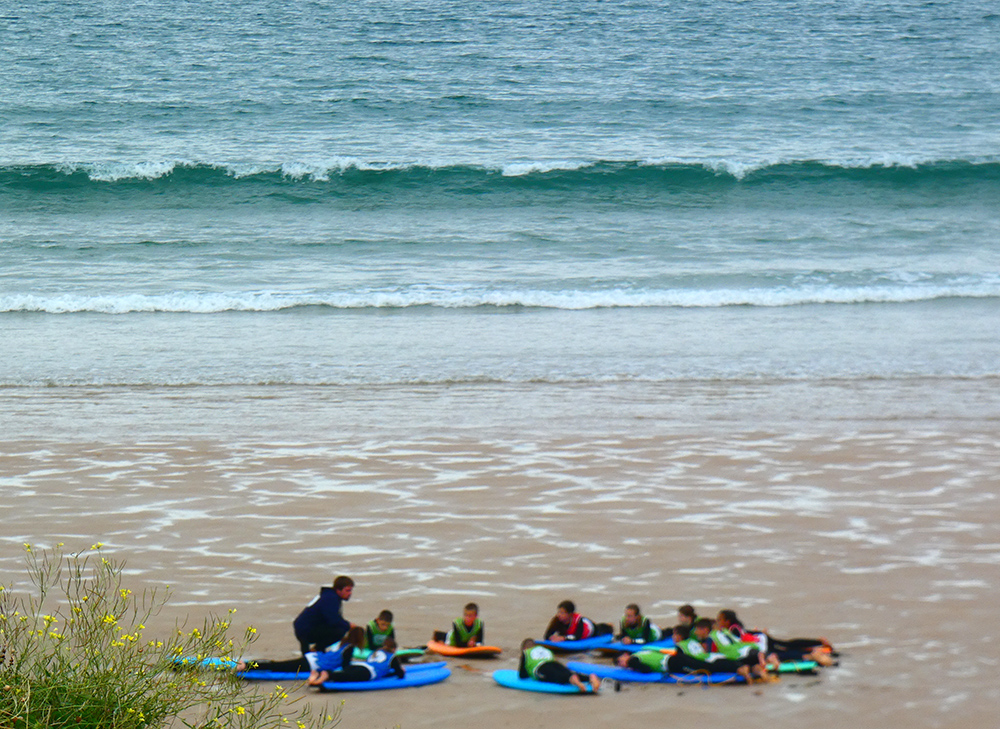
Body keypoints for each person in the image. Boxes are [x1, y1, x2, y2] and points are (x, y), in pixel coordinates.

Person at [716, 609, 835, 666]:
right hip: (761, 638)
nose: (718, 622)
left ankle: (811, 652)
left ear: (727, 621)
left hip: (761, 643)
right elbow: (746, 633)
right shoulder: (736, 626)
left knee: (782, 651)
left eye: (719, 619)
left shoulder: (731, 629)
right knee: (786, 645)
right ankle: (817, 644)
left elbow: (738, 641)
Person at [669, 624, 770, 682]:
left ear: (679, 636)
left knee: (733, 667)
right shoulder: (693, 641)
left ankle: (747, 677)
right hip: (716, 656)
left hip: (709, 661)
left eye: (674, 635)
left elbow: (681, 659)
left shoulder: (680, 646)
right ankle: (760, 673)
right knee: (742, 665)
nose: (673, 637)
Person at [293, 575, 355, 655]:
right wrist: (350, 626)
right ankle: (315, 650)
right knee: (340, 630)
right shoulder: (331, 599)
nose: (350, 593)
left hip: (304, 627)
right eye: (347, 591)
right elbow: (334, 620)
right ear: (338, 590)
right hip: (306, 630)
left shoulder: (330, 595)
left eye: (351, 590)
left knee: (338, 627)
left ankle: (315, 652)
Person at [519, 639, 600, 693]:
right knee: (566, 672)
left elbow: (522, 675)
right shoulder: (545, 650)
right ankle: (589, 677)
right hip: (554, 663)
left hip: (541, 668)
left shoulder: (526, 652)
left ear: (524, 648)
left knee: (558, 677)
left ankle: (574, 681)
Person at [317, 636, 406, 686]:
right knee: (346, 677)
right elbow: (400, 675)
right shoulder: (392, 657)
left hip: (359, 665)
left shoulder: (375, 652)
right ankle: (327, 675)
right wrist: (401, 670)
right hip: (368, 672)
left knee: (345, 673)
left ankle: (320, 675)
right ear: (394, 649)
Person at [543, 600, 613, 641]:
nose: (559, 615)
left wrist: (563, 638)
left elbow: (577, 637)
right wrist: (551, 637)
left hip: (590, 628)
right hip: (572, 633)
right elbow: (546, 635)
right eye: (558, 612)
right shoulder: (556, 620)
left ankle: (609, 625)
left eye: (562, 613)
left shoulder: (578, 621)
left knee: (604, 629)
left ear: (570, 614)